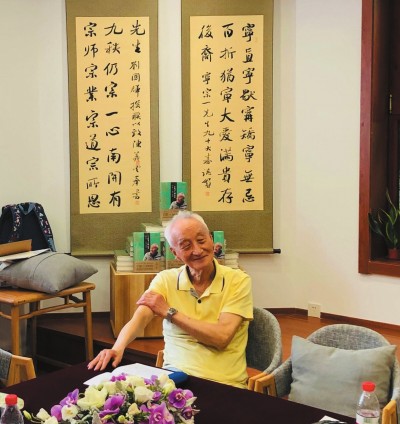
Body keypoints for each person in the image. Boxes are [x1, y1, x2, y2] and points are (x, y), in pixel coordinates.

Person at [88, 211, 253, 389]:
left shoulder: (238, 280)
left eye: (201, 240)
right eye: (186, 245)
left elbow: (221, 337)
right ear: (175, 253)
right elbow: (140, 318)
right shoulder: (165, 279)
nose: (197, 250)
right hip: (175, 380)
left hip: (224, 383)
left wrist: (170, 312)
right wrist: (117, 348)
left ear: (211, 240)